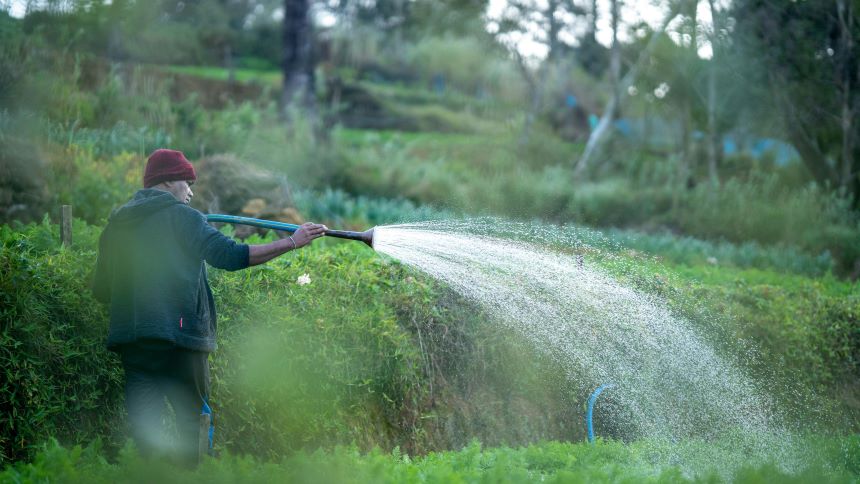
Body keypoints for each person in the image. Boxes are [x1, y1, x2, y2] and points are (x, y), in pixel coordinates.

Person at [92, 148, 326, 466]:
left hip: (134, 344)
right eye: (187, 183)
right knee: (194, 426)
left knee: (145, 433)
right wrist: (292, 241)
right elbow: (231, 256)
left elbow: (102, 290)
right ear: (166, 182)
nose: (190, 192)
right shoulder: (185, 218)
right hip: (181, 342)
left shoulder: (117, 224)